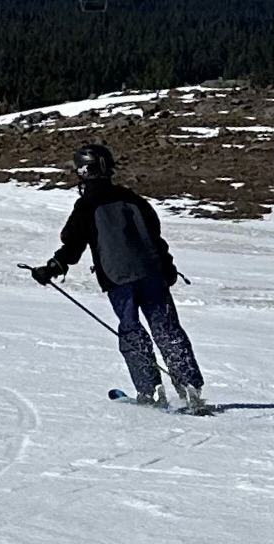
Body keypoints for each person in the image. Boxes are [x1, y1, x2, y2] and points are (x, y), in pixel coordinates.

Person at [30, 143, 209, 411]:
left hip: (118, 279)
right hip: (152, 275)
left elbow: (72, 244)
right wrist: (168, 269)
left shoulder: (86, 205)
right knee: (168, 330)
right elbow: (156, 238)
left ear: (82, 172)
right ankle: (190, 387)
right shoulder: (133, 199)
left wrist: (53, 267)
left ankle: (150, 390)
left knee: (131, 331)